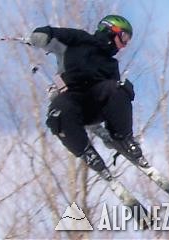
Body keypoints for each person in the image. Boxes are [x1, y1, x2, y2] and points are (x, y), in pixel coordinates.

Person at [30, 15, 148, 181]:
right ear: (111, 30)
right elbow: (52, 33)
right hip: (72, 97)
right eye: (124, 38)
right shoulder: (79, 39)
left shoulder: (111, 63)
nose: (124, 45)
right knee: (59, 110)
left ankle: (123, 138)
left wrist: (112, 129)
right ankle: (86, 152)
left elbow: (116, 101)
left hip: (95, 102)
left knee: (119, 87)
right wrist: (41, 36)